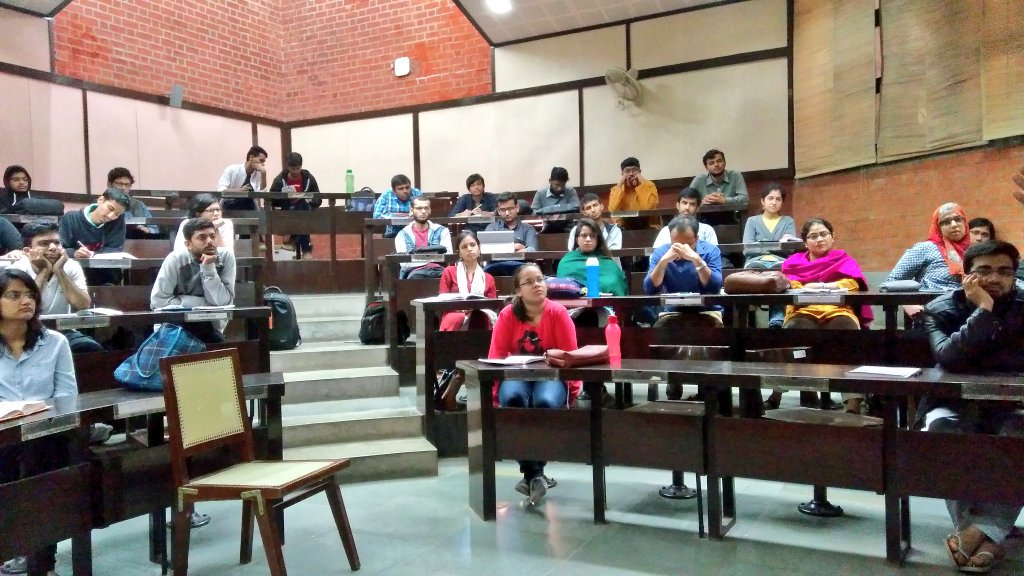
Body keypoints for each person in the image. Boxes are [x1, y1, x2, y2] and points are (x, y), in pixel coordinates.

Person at [920, 240, 1024, 574]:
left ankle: (977, 533)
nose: (994, 278)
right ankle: (990, 534)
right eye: (984, 271)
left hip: (1012, 402)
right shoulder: (940, 309)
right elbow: (948, 357)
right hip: (952, 401)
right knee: (942, 430)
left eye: (1004, 271)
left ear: (1015, 275)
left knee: (1019, 435)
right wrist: (984, 310)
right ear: (966, 276)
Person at [0, 268, 76, 576]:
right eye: (14, 295)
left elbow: (67, 398)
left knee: (42, 463)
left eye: (30, 295)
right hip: (3, 435)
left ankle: (43, 562)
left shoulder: (55, 342)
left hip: (45, 432)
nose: (26, 301)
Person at [488, 263, 579, 504]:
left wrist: (572, 392)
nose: (537, 285)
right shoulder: (507, 315)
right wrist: (495, 393)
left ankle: (531, 474)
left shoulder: (558, 312)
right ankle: (535, 474)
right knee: (513, 398)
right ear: (518, 290)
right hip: (516, 375)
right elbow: (496, 356)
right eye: (529, 282)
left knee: (545, 402)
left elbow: (571, 356)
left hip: (552, 376)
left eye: (540, 279)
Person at [776, 218, 872, 412]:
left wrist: (822, 286)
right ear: (805, 242)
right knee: (793, 331)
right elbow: (788, 284)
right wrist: (809, 287)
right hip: (804, 310)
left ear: (832, 237)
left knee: (848, 332)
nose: (819, 239)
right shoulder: (793, 262)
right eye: (813, 236)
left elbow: (853, 284)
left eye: (823, 234)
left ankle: (853, 400)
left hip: (838, 310)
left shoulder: (843, 259)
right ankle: (787, 392)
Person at [11, 221, 103, 353]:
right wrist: (44, 271)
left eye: (57, 242)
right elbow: (25, 305)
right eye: (44, 243)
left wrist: (59, 271)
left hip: (63, 331)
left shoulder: (70, 266)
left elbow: (82, 305)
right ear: (27, 251)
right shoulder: (17, 270)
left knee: (90, 348)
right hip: (25, 331)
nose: (53, 247)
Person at [152, 218, 236, 344]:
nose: (210, 241)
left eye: (212, 236)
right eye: (202, 237)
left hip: (211, 326)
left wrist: (208, 268)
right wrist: (206, 305)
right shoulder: (175, 259)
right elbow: (159, 302)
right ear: (188, 244)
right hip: (174, 327)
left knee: (221, 348)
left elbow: (223, 303)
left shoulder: (226, 257)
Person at [887, 202, 969, 325]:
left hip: (968, 316)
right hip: (932, 316)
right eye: (946, 222)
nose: (954, 225)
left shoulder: (975, 250)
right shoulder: (926, 248)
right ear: (938, 227)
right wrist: (910, 306)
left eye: (958, 219)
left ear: (965, 222)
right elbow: (893, 281)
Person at [643, 215, 724, 328]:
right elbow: (649, 289)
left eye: (688, 244)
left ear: (696, 238)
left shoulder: (711, 251)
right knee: (659, 333)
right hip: (672, 312)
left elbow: (715, 287)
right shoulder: (660, 253)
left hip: (707, 311)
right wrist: (663, 262)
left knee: (714, 333)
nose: (682, 249)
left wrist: (697, 260)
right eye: (676, 244)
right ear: (670, 238)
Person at [742, 183, 798, 328]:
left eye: (778, 199)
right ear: (762, 201)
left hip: (780, 262)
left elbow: (790, 248)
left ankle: (777, 319)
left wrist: (762, 245)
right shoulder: (752, 221)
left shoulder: (788, 221)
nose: (774, 202)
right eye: (770, 198)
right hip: (755, 262)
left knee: (782, 273)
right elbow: (747, 248)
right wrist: (776, 247)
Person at [59, 187, 130, 286]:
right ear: (101, 200)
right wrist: (74, 253)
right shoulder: (71, 218)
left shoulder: (118, 220)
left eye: (117, 214)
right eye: (110, 209)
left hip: (107, 277)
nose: (111, 216)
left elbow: (115, 249)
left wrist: (93, 254)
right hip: (76, 275)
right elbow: (61, 248)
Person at [438, 230, 497, 331]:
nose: (469, 249)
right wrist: (461, 309)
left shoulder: (488, 278)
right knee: (456, 318)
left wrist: (473, 309)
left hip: (479, 314)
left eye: (473, 245)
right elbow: (442, 300)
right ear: (459, 253)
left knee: (479, 317)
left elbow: (492, 305)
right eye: (464, 247)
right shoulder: (449, 272)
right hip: (455, 313)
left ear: (479, 248)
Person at [268, 152, 322, 258]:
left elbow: (318, 199)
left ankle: (292, 239)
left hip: (306, 212)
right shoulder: (279, 180)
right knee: (300, 212)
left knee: (301, 205)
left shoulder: (309, 178)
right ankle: (306, 249)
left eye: (298, 168)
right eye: (293, 169)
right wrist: (283, 196)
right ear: (288, 167)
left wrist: (308, 200)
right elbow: (271, 199)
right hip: (287, 212)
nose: (296, 171)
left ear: (301, 166)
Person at [557, 218, 627, 297]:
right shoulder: (567, 262)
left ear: (598, 239)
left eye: (592, 236)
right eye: (584, 236)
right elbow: (564, 286)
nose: (588, 239)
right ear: (577, 239)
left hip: (606, 304)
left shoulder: (609, 264)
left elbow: (615, 284)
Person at [394, 196, 452, 278]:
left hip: (438, 270)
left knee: (449, 278)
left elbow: (448, 256)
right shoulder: (402, 234)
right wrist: (431, 259)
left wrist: (419, 259)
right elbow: (404, 263)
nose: (423, 211)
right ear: (411, 210)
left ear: (430, 210)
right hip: (414, 272)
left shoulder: (442, 230)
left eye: (426, 208)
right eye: (419, 208)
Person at [653, 188, 718, 247]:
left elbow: (714, 253)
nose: (687, 207)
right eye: (684, 203)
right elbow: (654, 254)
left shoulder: (707, 230)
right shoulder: (665, 230)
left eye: (692, 204)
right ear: (678, 205)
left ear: (697, 208)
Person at [108, 167, 159, 239]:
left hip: (137, 241)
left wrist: (145, 229)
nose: (123, 188)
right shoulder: (102, 204)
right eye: (119, 184)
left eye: (127, 184)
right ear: (109, 184)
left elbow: (155, 230)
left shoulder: (139, 205)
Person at [608, 157, 659, 229]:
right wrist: (619, 184)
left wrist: (643, 183)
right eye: (627, 171)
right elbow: (612, 209)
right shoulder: (616, 189)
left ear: (640, 172)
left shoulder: (649, 185)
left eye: (634, 170)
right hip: (623, 227)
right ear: (622, 174)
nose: (631, 174)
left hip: (648, 226)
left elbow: (649, 208)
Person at [216, 145, 268, 211]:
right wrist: (239, 191)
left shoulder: (258, 173)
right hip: (230, 206)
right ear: (251, 157)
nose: (262, 164)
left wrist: (263, 173)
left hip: (250, 208)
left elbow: (262, 193)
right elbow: (220, 189)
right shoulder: (232, 169)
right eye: (261, 161)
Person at [372, 173, 422, 238]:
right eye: (401, 189)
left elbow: (424, 212)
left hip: (415, 232)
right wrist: (394, 217)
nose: (405, 191)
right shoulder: (386, 195)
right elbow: (376, 216)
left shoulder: (417, 193)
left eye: (407, 188)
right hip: (392, 233)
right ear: (394, 191)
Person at [531, 167, 579, 233]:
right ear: (550, 181)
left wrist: (548, 210)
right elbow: (533, 212)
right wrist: (558, 209)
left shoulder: (570, 191)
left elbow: (576, 207)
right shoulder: (540, 193)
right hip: (547, 228)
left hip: (569, 228)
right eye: (557, 185)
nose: (559, 188)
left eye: (563, 185)